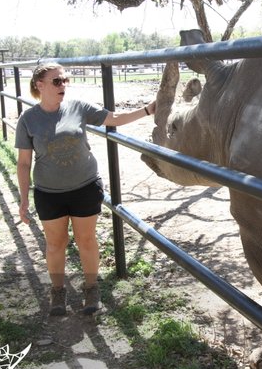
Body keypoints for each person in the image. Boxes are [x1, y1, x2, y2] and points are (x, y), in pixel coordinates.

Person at [15, 62, 156, 316]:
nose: (63, 85)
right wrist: (23, 199)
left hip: (84, 187)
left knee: (86, 240)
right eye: (57, 81)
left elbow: (113, 118)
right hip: (49, 193)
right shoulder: (28, 119)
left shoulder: (78, 107)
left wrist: (148, 110)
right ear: (39, 85)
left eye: (65, 80)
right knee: (55, 244)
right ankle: (58, 291)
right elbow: (24, 163)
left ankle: (91, 288)